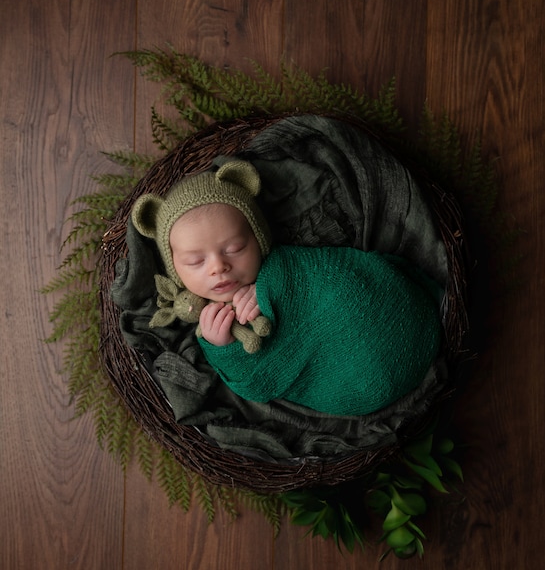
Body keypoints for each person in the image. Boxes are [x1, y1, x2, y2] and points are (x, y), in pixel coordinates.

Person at [132, 158, 442, 416]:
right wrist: (222, 346)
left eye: (235, 247)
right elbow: (253, 385)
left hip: (388, 320)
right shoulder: (208, 323)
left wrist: (273, 287)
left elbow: (339, 281)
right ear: (175, 271)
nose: (218, 267)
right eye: (196, 262)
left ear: (258, 239)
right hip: (349, 382)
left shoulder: (288, 267)